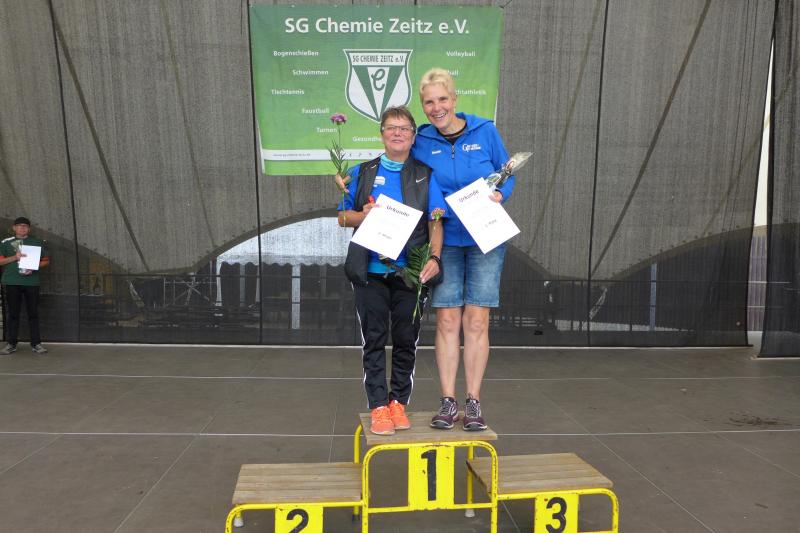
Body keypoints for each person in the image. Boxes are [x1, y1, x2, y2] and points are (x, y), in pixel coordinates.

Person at [413, 68, 515, 431]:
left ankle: (473, 401)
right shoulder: (421, 139)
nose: (437, 107)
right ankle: (447, 401)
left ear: (454, 99)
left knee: (476, 320)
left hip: (486, 237)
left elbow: (508, 172)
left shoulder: (485, 131)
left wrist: (501, 192)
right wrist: (351, 179)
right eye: (429, 102)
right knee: (446, 320)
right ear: (423, 106)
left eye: (442, 99)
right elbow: (394, 164)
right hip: (445, 240)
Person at [338, 106, 446, 435]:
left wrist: (435, 258)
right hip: (370, 272)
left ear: (413, 137)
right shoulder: (361, 172)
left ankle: (398, 402)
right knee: (373, 340)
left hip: (410, 274)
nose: (397, 133)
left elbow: (436, 220)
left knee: (405, 340)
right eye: (391, 127)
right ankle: (378, 406)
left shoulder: (426, 174)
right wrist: (364, 215)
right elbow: (343, 217)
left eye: (404, 128)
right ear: (382, 134)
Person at [0, 217, 50, 355]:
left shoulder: (37, 242)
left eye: (25, 226)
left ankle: (36, 344)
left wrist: (33, 267)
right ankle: (11, 344)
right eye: (19, 225)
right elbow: (1, 261)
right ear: (14, 228)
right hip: (12, 282)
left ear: (29, 228)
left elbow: (46, 261)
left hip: (31, 282)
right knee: (13, 314)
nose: (22, 228)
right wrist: (15, 258)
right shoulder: (6, 242)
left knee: (33, 313)